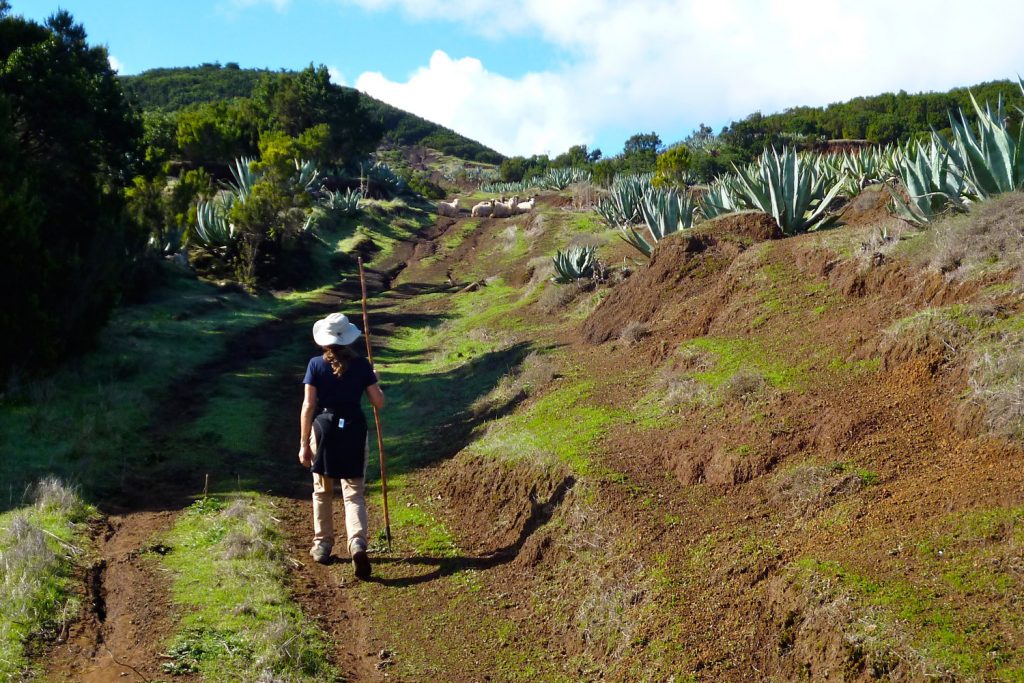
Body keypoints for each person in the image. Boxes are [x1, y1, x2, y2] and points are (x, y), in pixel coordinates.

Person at [298, 312, 385, 578]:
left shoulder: (315, 365)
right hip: (354, 429)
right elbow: (378, 403)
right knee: (353, 493)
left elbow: (308, 405)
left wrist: (304, 443)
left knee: (322, 491)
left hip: (324, 428)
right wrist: (375, 380)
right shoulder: (361, 366)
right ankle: (357, 542)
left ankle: (322, 545)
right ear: (347, 338)